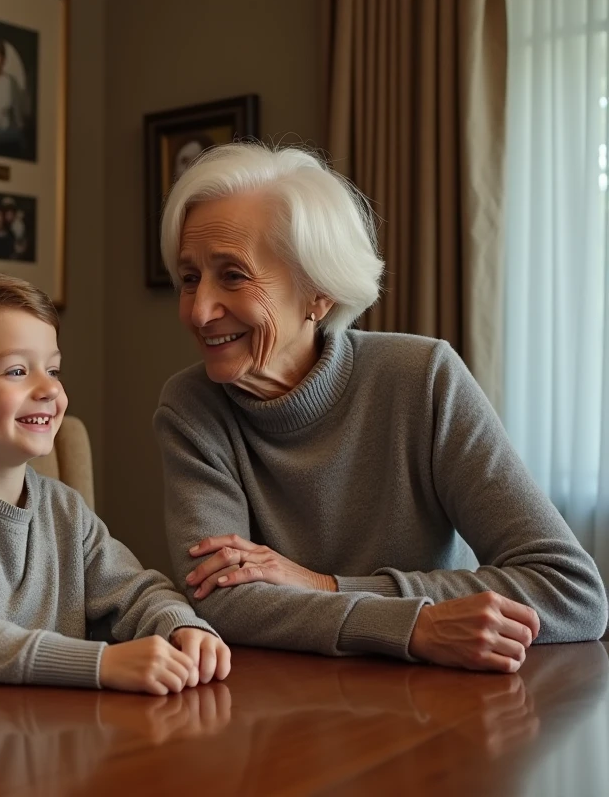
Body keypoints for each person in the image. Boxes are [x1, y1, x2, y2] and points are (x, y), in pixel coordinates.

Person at [154, 141, 609, 673]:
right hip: (290, 700)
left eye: (233, 275)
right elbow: (222, 599)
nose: (199, 311)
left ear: (318, 293)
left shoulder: (423, 378)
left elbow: (571, 592)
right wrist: (412, 626)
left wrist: (325, 586)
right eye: (190, 278)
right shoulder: (192, 408)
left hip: (445, 697)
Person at [0, 273, 229, 694]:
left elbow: (136, 592)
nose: (49, 389)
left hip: (65, 727)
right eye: (17, 370)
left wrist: (180, 625)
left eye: (54, 370)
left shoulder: (66, 510)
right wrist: (99, 663)